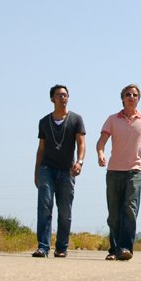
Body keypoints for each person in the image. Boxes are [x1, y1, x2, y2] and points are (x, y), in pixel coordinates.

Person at [96, 83, 141, 261]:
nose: (131, 97)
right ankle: (114, 249)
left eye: (134, 95)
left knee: (130, 208)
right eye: (128, 94)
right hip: (114, 171)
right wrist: (100, 154)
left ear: (138, 99)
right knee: (114, 213)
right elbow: (101, 141)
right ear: (122, 98)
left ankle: (125, 248)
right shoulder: (112, 119)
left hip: (135, 171)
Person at [32, 84, 86, 258]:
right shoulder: (44, 121)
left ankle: (61, 247)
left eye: (65, 95)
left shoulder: (76, 119)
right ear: (52, 99)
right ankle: (43, 247)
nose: (63, 97)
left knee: (64, 211)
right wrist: (36, 172)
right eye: (59, 95)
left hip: (67, 170)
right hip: (46, 169)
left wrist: (79, 162)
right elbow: (41, 148)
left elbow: (81, 143)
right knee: (45, 206)